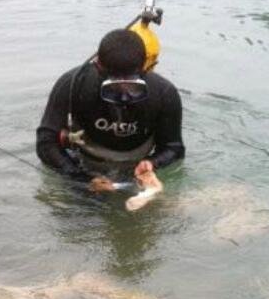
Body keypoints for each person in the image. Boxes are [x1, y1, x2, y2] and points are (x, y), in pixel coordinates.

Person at [36, 28, 185, 183]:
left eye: (131, 85)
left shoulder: (164, 92)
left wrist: (152, 163)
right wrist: (81, 179)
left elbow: (174, 148)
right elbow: (46, 142)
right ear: (98, 67)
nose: (123, 94)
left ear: (145, 68)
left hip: (137, 169)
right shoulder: (73, 84)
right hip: (83, 164)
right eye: (114, 86)